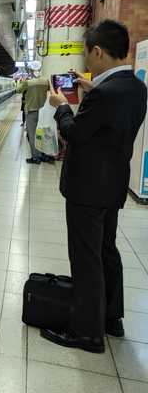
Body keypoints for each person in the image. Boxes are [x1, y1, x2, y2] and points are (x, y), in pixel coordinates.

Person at [41, 19, 147, 353]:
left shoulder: (104, 95)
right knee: (106, 251)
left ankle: (86, 333)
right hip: (112, 186)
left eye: (88, 55)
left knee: (86, 259)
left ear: (98, 51)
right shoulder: (136, 87)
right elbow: (109, 128)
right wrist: (91, 93)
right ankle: (111, 319)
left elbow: (75, 135)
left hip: (87, 189)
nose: (87, 63)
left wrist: (62, 109)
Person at [15, 74, 53, 164]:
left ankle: (35, 157)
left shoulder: (27, 82)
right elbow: (50, 89)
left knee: (32, 135)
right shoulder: (46, 81)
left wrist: (23, 81)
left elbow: (18, 90)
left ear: (31, 71)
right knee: (43, 134)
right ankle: (44, 154)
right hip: (43, 112)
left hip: (31, 111)